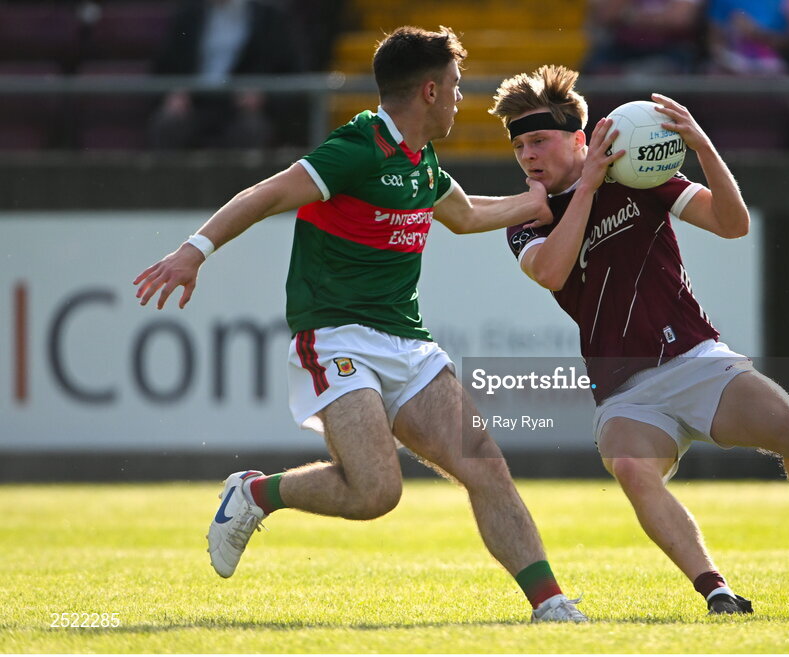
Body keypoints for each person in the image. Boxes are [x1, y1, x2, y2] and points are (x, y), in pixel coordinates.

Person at [133, 27, 586, 624]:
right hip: (335, 335)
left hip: (408, 341)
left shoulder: (420, 160)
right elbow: (267, 195)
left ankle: (550, 605)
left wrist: (540, 203)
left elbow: (469, 214)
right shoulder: (357, 147)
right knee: (377, 492)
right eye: (452, 87)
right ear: (428, 90)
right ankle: (254, 493)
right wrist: (194, 251)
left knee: (485, 464)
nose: (458, 99)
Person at [490, 65, 789, 614]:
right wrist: (585, 185)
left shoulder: (640, 174)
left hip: (693, 358)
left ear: (579, 138)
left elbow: (732, 224)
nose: (528, 155)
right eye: (519, 146)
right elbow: (554, 273)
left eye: (538, 139)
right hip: (623, 390)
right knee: (632, 468)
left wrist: (701, 143)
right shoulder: (527, 216)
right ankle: (717, 591)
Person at [149, 0, 305, 149]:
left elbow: (291, 71)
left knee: (252, 128)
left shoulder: (269, 16)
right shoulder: (187, 14)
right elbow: (163, 66)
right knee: (167, 124)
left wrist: (263, 96)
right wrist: (173, 93)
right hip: (194, 104)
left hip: (241, 107)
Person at [581, 0, 705, 75]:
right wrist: (658, 19)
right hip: (623, 49)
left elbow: (679, 19)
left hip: (669, 50)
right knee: (597, 65)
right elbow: (606, 16)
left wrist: (630, 16)